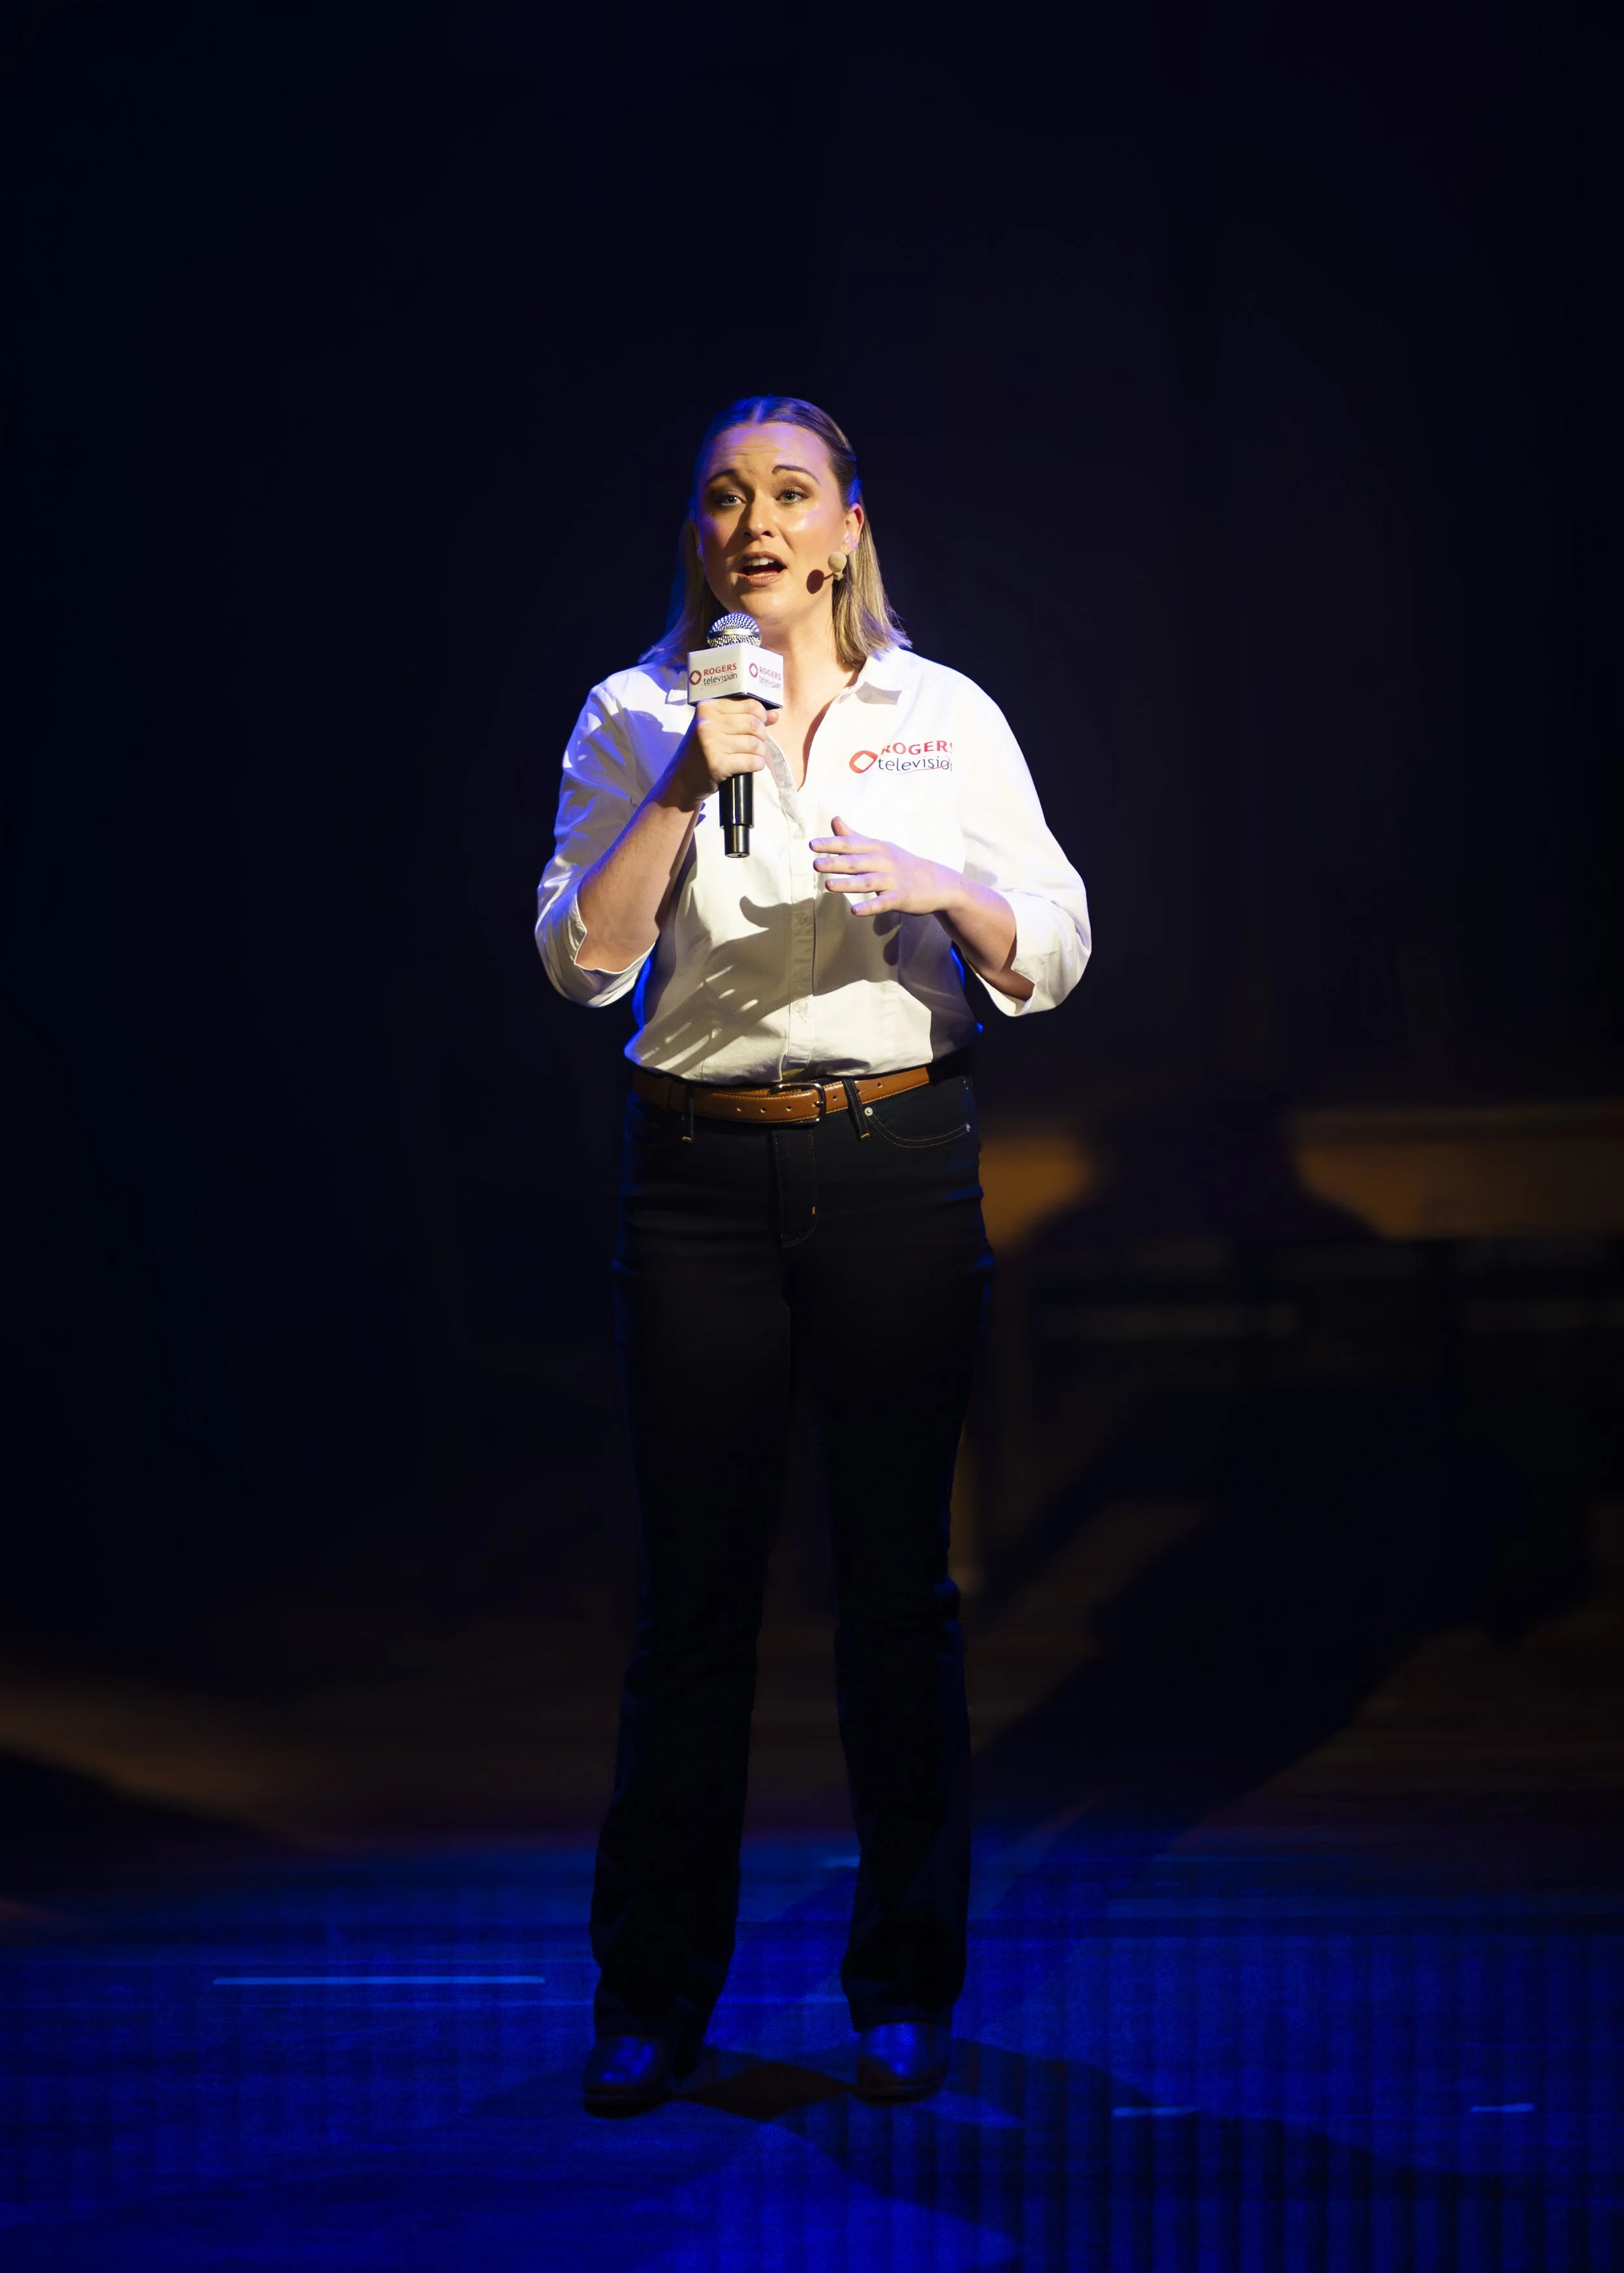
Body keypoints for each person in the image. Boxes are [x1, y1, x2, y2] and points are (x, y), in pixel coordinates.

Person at [537, 396, 1089, 2112]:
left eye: (787, 493)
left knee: (891, 1601)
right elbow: (576, 959)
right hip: (697, 1181)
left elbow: (1058, 940)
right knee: (693, 1609)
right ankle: (651, 1998)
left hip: (894, 1163)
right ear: (697, 539)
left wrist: (950, 886)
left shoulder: (943, 715)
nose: (751, 522)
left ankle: (902, 1985)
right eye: (721, 498)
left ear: (847, 528)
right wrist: (687, 782)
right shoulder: (635, 713)